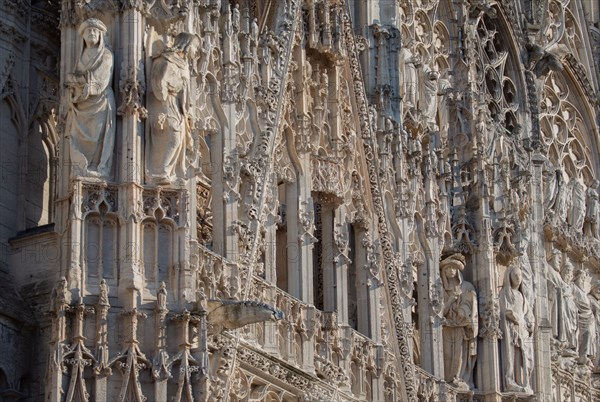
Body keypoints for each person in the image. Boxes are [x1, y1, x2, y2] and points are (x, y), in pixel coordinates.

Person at [146, 33, 200, 184]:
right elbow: (159, 82)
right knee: (174, 138)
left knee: (179, 139)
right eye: (195, 47)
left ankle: (169, 172)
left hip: (177, 108)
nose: (196, 52)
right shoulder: (167, 59)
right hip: (166, 104)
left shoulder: (183, 64)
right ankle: (160, 171)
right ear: (187, 44)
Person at [65, 18, 115, 178]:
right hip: (81, 105)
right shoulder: (81, 56)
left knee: (98, 137)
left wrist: (84, 83)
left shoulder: (106, 55)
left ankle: (98, 168)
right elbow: (74, 78)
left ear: (101, 35)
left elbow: (102, 78)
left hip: (99, 103)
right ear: (83, 36)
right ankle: (82, 168)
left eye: (95, 31)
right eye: (88, 31)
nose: (91, 33)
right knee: (78, 137)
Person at [440, 253, 478, 390]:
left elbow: (471, 305)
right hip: (446, 327)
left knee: (458, 354)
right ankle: (447, 378)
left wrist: (464, 309)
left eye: (453, 268)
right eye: (448, 268)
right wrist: (450, 301)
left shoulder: (466, 287)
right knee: (447, 354)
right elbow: (439, 312)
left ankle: (457, 377)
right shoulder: (441, 289)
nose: (450, 271)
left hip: (460, 327)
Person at [499, 265, 533, 393]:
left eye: (520, 275)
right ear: (509, 277)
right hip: (511, 329)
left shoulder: (521, 296)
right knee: (510, 355)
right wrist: (516, 317)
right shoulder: (505, 293)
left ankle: (522, 381)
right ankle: (510, 381)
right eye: (515, 275)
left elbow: (528, 312)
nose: (518, 278)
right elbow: (505, 309)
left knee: (522, 357)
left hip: (522, 330)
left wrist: (531, 323)